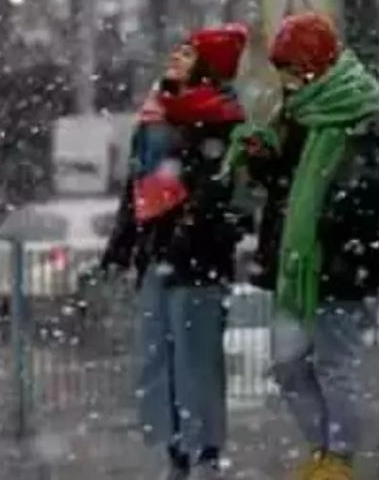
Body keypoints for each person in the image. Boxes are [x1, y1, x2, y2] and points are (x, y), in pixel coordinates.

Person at [228, 13, 379, 480]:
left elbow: (370, 193)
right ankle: (322, 448)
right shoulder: (295, 115)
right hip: (293, 264)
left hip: (338, 263)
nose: (286, 81)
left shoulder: (357, 114)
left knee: (337, 362)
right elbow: (284, 186)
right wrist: (263, 159)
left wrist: (325, 210)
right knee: (287, 365)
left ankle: (340, 457)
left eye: (291, 68)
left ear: (314, 66)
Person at [101, 24, 250, 480]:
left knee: (196, 360)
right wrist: (121, 245)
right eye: (177, 49)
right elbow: (136, 186)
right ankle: (174, 450)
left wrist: (189, 232)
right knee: (156, 359)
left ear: (206, 66)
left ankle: (204, 450)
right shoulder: (154, 115)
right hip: (156, 256)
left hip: (199, 262)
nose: (175, 58)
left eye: (187, 53)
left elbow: (220, 193)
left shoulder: (222, 121)